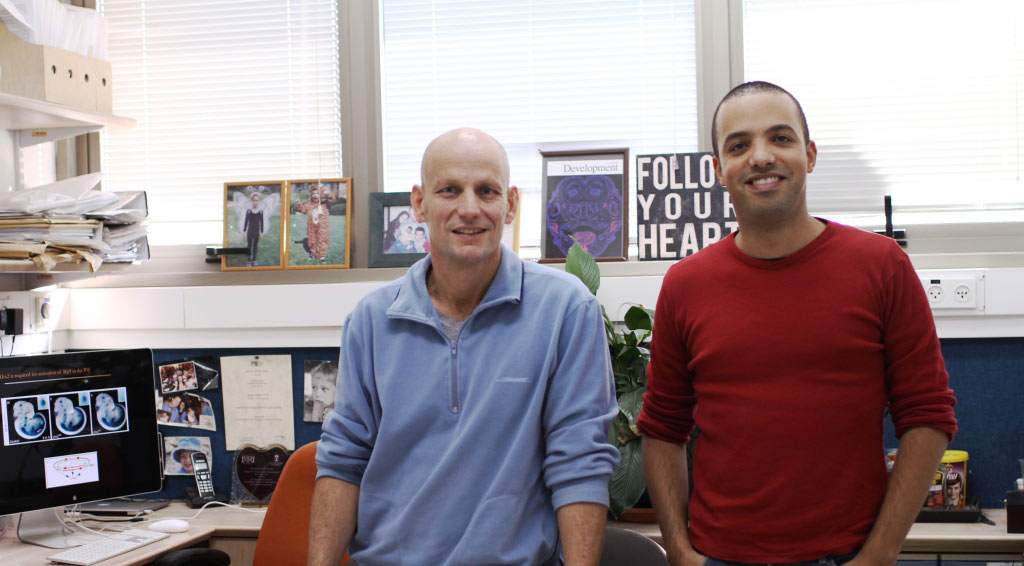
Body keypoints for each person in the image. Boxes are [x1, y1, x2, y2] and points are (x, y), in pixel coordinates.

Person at [638, 81, 958, 566]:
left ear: (809, 155)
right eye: (739, 145)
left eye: (780, 138)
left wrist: (879, 555)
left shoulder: (881, 265)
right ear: (718, 170)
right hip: (719, 555)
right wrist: (681, 552)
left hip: (847, 555)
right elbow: (663, 428)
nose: (761, 157)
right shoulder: (687, 283)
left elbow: (928, 414)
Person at [310, 127, 618, 566]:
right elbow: (343, 459)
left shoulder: (566, 311)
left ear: (510, 205)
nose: (469, 209)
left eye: (486, 191)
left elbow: (580, 462)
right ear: (419, 203)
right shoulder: (371, 320)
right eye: (450, 190)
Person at [294, 185, 335, 263]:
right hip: (312, 226)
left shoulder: (325, 204)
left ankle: (322, 256)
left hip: (322, 226)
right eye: (313, 194)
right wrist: (298, 203)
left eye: (317, 194)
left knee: (322, 239)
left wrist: (327, 193)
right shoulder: (309, 205)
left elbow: (332, 199)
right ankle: (312, 253)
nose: (315, 195)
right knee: (312, 239)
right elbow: (302, 209)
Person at [243, 192, 264, 266]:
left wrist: (261, 232)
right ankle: (248, 260)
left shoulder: (260, 211)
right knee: (249, 246)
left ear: (259, 201)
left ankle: (254, 260)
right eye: (254, 200)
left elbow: (261, 222)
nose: (255, 202)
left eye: (257, 200)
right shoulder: (249, 211)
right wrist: (244, 231)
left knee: (255, 246)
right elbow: (246, 221)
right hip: (250, 231)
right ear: (251, 201)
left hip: (257, 231)